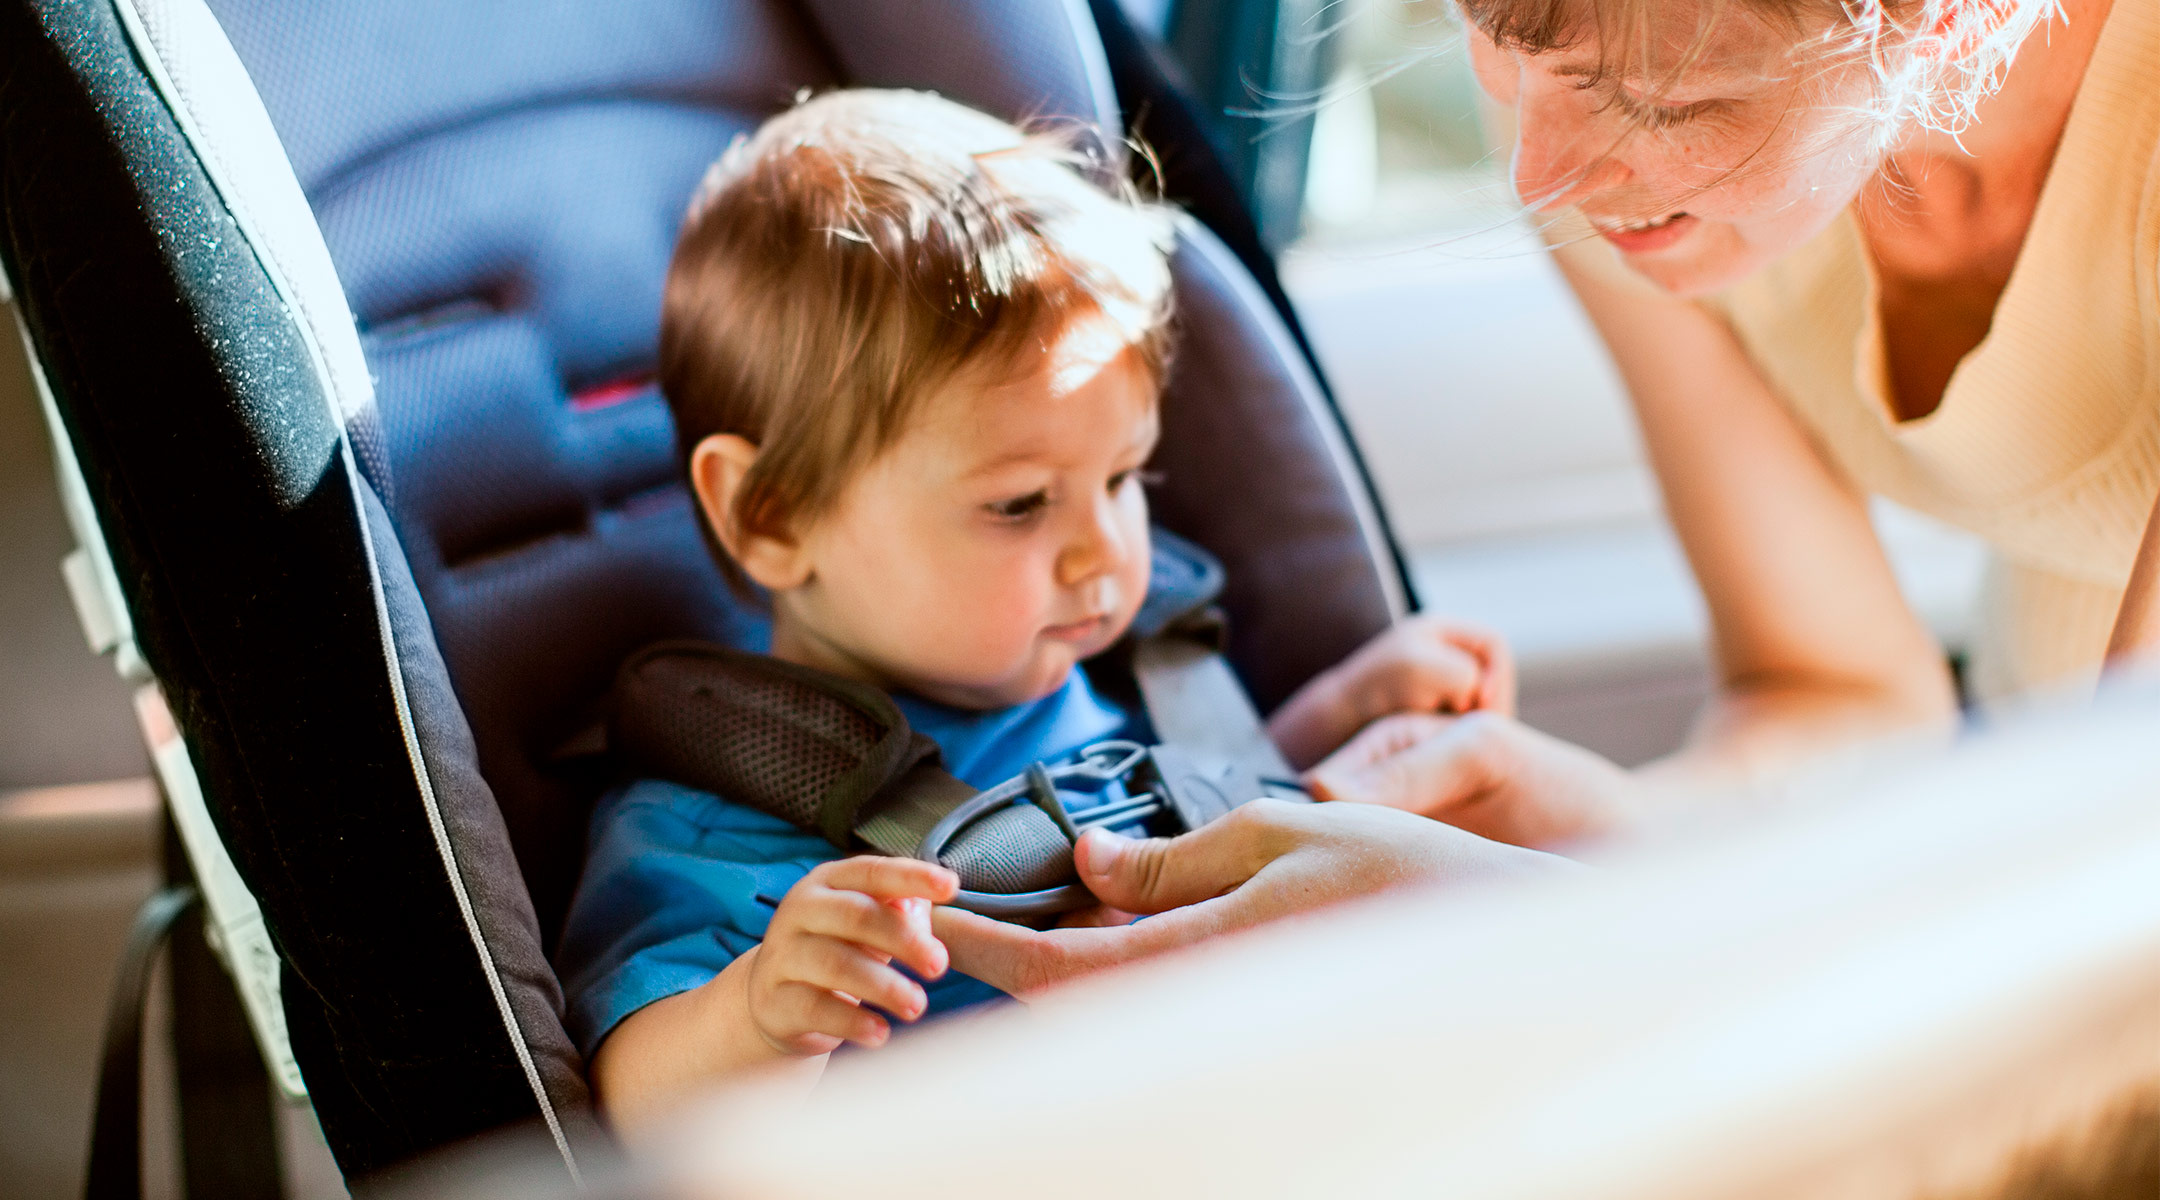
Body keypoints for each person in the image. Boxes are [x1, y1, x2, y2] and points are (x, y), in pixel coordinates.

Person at [935, 0, 2160, 995]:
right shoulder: (1590, 53)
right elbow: (1839, 689)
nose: (1542, 170)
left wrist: (1543, 926)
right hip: (2041, 758)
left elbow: (2109, 908)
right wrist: (1603, 828)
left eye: (1663, 104)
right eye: (1498, 33)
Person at [553, 89, 1515, 1126]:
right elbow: (634, 1104)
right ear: (773, 516)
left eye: (1124, 478)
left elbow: (1169, 828)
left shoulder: (1072, 670)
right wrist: (760, 1016)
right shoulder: (713, 816)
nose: (1104, 549)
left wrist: (1333, 719)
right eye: (1019, 505)